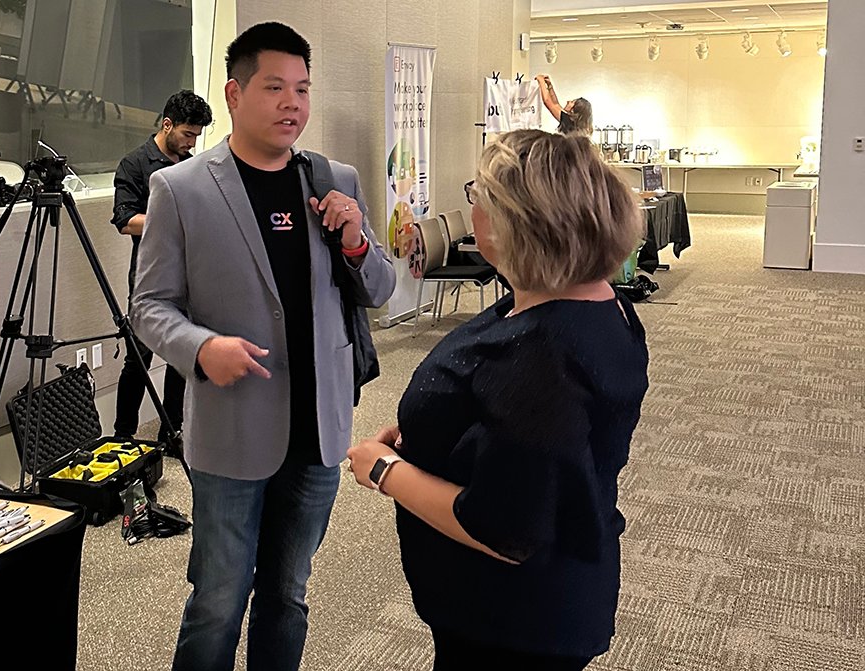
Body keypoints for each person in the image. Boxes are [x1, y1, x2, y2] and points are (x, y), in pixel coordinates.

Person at [132, 22, 395, 671]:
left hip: (319, 432)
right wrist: (200, 347)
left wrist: (357, 238)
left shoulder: (336, 178)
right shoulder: (181, 188)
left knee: (289, 593)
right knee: (220, 597)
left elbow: (381, 286)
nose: (292, 103)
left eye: (302, 88)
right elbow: (148, 305)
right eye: (275, 86)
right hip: (231, 432)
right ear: (234, 92)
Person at [347, 129, 649, 670]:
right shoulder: (580, 299)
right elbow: (521, 429)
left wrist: (384, 471)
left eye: (478, 197)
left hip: (514, 618)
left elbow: (504, 531)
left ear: (518, 220)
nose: (472, 209)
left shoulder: (546, 354)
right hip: (524, 597)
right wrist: (434, 431)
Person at [110, 90, 213, 446]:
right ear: (167, 124)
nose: (190, 143)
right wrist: (170, 218)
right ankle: (123, 435)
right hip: (150, 276)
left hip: (190, 273)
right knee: (137, 359)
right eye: (187, 134)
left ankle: (173, 432)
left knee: (179, 358)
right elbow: (124, 221)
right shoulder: (134, 164)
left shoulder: (190, 164)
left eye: (196, 137)